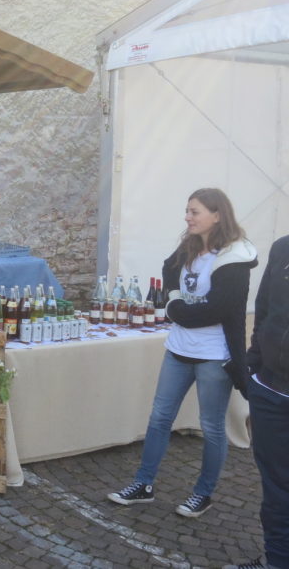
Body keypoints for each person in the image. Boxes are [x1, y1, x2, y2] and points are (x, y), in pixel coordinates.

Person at [108, 188, 257, 518]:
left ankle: (203, 494)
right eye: (187, 211)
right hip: (178, 350)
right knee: (159, 418)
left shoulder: (234, 257)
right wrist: (175, 298)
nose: (187, 217)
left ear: (217, 215)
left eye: (194, 211)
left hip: (214, 355)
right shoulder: (189, 246)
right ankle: (143, 484)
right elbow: (168, 268)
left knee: (212, 427)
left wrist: (176, 310)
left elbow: (219, 309)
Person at [224, 235, 289, 569]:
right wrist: (253, 365)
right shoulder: (283, 248)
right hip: (271, 391)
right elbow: (263, 311)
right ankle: (276, 561)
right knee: (277, 490)